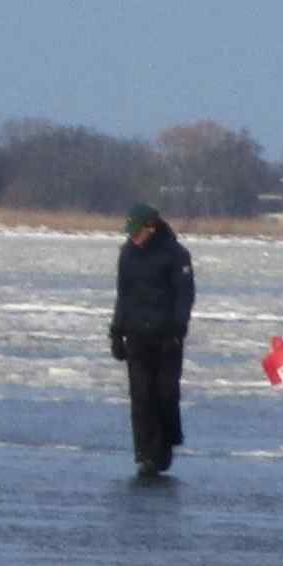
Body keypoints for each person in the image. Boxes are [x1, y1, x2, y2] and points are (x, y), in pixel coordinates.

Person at [108, 203, 194, 477]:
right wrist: (116, 332)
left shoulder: (176, 255)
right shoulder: (127, 255)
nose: (133, 237)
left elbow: (184, 296)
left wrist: (177, 330)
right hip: (136, 335)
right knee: (141, 396)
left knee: (166, 393)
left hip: (167, 337)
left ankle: (166, 444)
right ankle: (145, 453)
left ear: (151, 227)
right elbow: (123, 294)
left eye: (137, 232)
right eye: (130, 232)